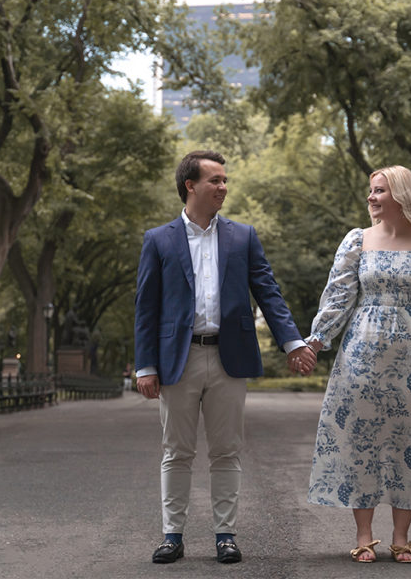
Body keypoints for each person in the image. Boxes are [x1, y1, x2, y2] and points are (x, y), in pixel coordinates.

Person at [134, 150, 316, 565]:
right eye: (215, 180)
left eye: (225, 180)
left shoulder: (242, 237)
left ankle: (225, 536)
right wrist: (145, 365)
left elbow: (268, 293)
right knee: (176, 451)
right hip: (177, 361)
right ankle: (172, 536)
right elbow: (145, 309)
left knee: (227, 450)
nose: (223, 187)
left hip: (228, 359)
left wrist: (293, 342)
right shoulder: (158, 239)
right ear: (190, 186)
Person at [302, 165, 411, 564]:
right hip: (360, 356)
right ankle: (363, 535)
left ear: (401, 195)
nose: (371, 198)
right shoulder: (358, 240)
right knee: (362, 441)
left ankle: (402, 537)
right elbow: (338, 297)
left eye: (378, 191)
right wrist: (315, 341)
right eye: (370, 191)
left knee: (408, 442)